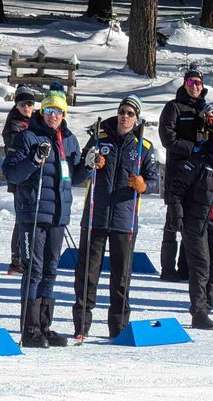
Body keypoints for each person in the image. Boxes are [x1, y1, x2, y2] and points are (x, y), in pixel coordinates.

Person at [2, 84, 89, 348]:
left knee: (51, 270)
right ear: (42, 112)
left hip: (58, 215)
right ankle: (29, 329)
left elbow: (73, 177)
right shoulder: (27, 137)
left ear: (64, 114)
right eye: (48, 110)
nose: (53, 116)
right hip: (34, 213)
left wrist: (88, 165)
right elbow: (12, 173)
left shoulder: (69, 140)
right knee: (34, 270)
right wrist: (34, 161)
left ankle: (44, 326)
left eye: (57, 111)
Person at [72, 95, 159, 339]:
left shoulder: (144, 146)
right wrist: (89, 163)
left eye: (130, 113)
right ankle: (81, 326)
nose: (125, 117)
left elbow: (155, 181)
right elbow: (77, 176)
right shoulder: (98, 139)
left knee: (121, 277)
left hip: (124, 220)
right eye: (122, 111)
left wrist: (143, 185)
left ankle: (118, 328)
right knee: (87, 274)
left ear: (136, 118)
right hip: (95, 217)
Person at [167, 118, 213, 330]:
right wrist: (177, 216)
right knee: (201, 267)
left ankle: (205, 309)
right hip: (196, 220)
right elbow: (176, 188)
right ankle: (198, 312)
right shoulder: (202, 159)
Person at [158, 63, 209, 281]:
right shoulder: (174, 107)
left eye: (198, 83)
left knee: (193, 221)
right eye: (190, 82)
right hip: (177, 171)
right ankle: (168, 269)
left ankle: (186, 268)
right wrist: (191, 148)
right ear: (185, 84)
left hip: (198, 175)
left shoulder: (206, 109)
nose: (194, 86)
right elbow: (167, 138)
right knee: (173, 220)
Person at [3, 85, 39, 275]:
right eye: (23, 104)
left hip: (32, 175)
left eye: (30, 104)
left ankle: (28, 256)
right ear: (16, 105)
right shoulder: (15, 124)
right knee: (22, 219)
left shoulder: (33, 120)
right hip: (20, 177)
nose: (27, 107)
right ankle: (17, 260)